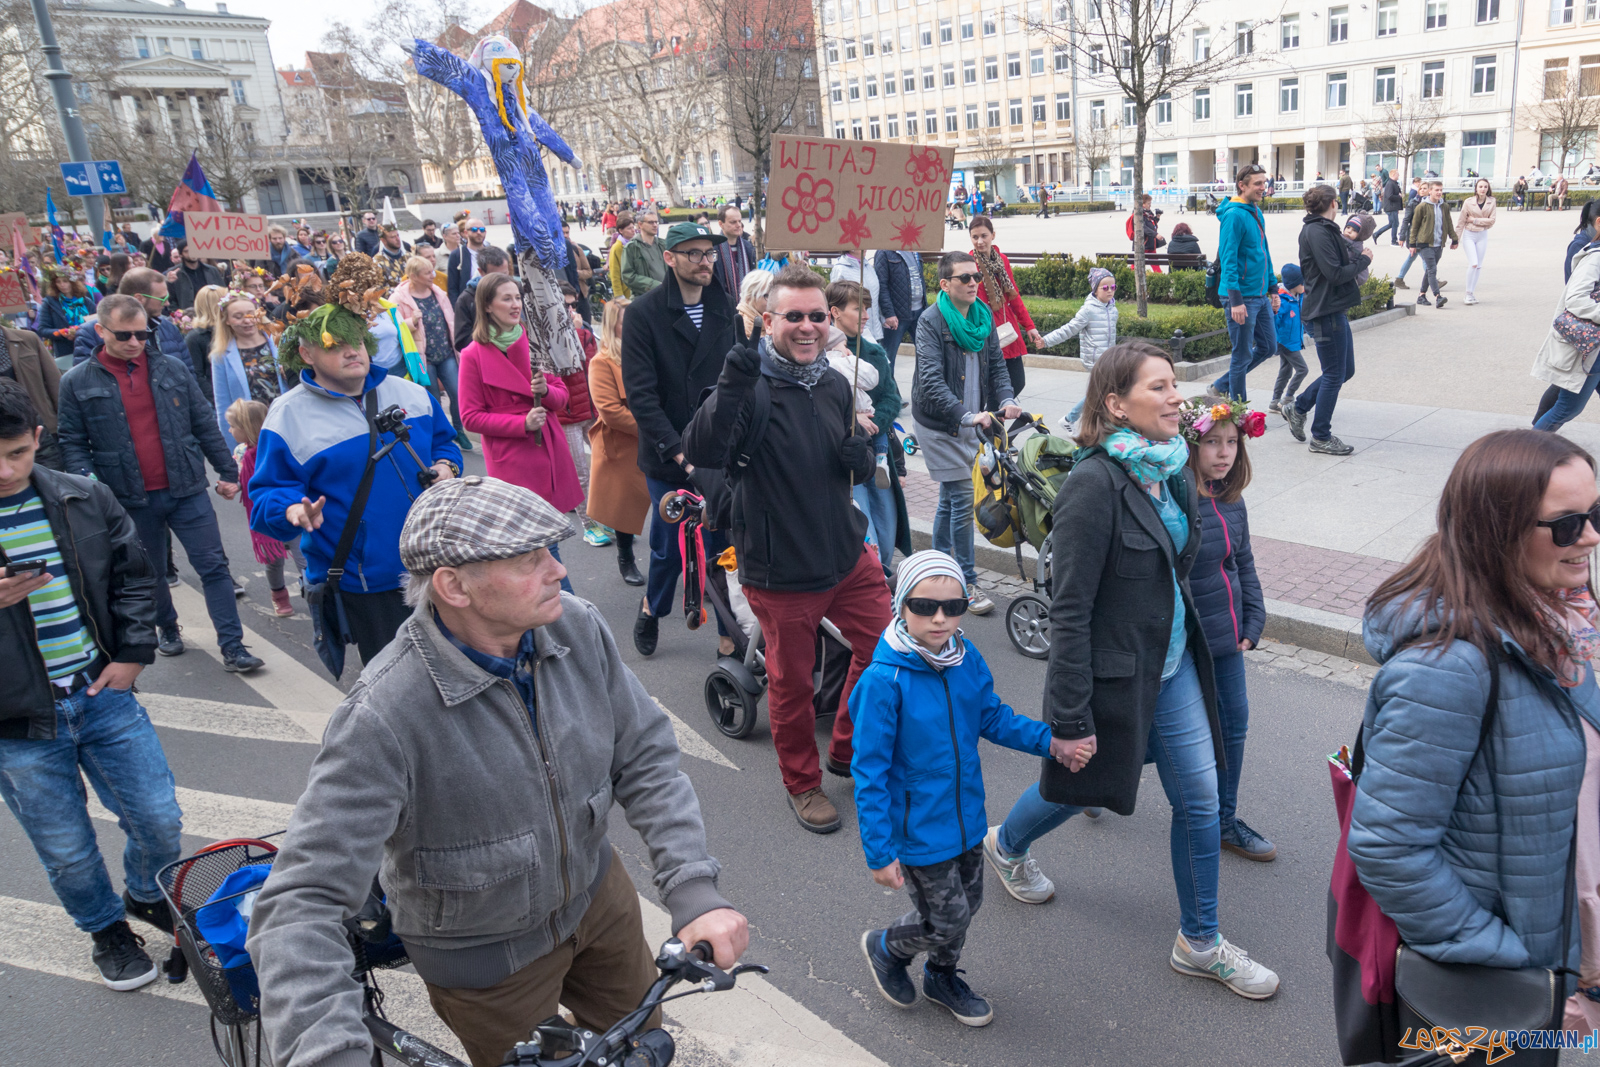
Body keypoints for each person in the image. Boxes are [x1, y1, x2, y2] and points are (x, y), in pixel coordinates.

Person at [248, 475, 750, 1067]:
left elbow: (644, 754)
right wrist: (327, 1053)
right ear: (453, 586)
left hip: (597, 903)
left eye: (549, 552)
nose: (558, 570)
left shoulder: (575, 625)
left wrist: (692, 888)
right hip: (485, 961)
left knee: (637, 1043)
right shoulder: (383, 715)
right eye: (529, 560)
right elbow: (300, 902)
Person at [983, 340, 1281, 1000]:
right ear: (1116, 405)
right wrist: (1068, 719)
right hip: (1117, 675)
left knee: (1199, 800)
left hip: (1172, 667)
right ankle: (1006, 844)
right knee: (1083, 779)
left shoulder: (1171, 467)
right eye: (1160, 387)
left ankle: (1199, 941)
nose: (1177, 397)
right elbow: (1069, 612)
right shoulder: (1092, 486)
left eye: (1175, 383)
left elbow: (1180, 564)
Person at [1350, 430, 1596, 1018]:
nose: (1591, 536)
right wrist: (1509, 962)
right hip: (1503, 983)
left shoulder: (1565, 621)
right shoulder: (1448, 668)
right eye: (1567, 525)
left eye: (1595, 513)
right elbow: (1389, 848)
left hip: (1566, 942)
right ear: (1499, 530)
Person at [683, 265, 893, 834]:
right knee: (793, 685)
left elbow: (847, 464)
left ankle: (846, 748)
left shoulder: (835, 384)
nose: (807, 326)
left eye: (816, 315)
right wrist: (733, 379)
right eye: (793, 316)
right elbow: (700, 447)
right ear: (769, 320)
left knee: (888, 650)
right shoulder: (748, 384)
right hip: (781, 568)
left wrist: (861, 460)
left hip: (846, 553)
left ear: (830, 320)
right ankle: (802, 783)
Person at [0, 377, 182, 993]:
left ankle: (144, 893)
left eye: (17, 453)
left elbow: (134, 575)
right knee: (66, 848)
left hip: (101, 693)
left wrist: (132, 654)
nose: (5, 471)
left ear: (37, 439)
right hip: (17, 721)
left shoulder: (83, 495)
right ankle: (106, 931)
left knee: (158, 819)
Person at [852, 550, 1079, 1026]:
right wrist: (879, 852)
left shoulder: (965, 656)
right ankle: (886, 947)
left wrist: (1051, 742)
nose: (940, 618)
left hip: (966, 819)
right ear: (901, 606)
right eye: (924, 606)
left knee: (969, 905)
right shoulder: (885, 681)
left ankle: (940, 976)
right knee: (947, 918)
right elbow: (869, 772)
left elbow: (991, 716)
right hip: (918, 832)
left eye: (953, 607)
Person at [248, 298, 462, 667]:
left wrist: (446, 466)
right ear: (306, 354)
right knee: (400, 685)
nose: (352, 352)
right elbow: (266, 495)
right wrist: (293, 509)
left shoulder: (411, 393)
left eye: (358, 341)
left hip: (442, 563)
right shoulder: (287, 416)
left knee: (465, 670)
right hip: (370, 584)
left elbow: (446, 444)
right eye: (335, 345)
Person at [56, 294, 263, 673]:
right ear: (101, 331)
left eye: (142, 333)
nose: (135, 342)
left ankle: (233, 646)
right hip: (127, 497)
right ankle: (167, 626)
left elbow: (203, 422)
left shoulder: (171, 368)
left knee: (213, 566)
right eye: (124, 335)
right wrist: (89, 489)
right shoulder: (76, 381)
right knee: (149, 572)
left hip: (186, 488)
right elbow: (72, 442)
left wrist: (227, 472)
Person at [620, 220, 737, 658]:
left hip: (718, 451)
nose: (705, 262)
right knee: (672, 546)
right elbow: (641, 397)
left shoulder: (725, 306)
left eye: (710, 253)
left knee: (723, 545)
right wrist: (681, 454)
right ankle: (652, 607)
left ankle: (729, 635)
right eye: (694, 253)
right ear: (669, 258)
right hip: (667, 454)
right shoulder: (644, 313)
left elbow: (736, 380)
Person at [1181, 395, 1271, 860]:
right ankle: (1092, 781)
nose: (1224, 452)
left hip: (1227, 642)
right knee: (1151, 737)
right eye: (1213, 442)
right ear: (1190, 445)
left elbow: (1243, 562)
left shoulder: (1231, 500)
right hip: (1183, 645)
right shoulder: (1175, 498)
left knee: (1233, 727)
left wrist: (1254, 618)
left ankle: (1223, 821)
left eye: (1232, 442)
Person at [910, 251, 1022, 616]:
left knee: (949, 499)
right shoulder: (930, 321)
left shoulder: (983, 316)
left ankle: (936, 567)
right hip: (940, 424)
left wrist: (1007, 399)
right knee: (962, 498)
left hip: (973, 420)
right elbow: (930, 380)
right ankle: (966, 582)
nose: (974, 282)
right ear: (945, 284)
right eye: (965, 278)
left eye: (976, 276)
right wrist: (965, 415)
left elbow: (997, 369)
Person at [458, 273, 582, 591]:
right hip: (511, 459)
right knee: (537, 545)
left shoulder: (535, 343)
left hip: (547, 451)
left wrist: (546, 391)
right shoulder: (473, 355)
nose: (516, 305)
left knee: (543, 544)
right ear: (487, 305)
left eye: (518, 298)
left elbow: (562, 397)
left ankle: (554, 607)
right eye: (507, 298)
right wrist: (521, 424)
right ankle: (560, 607)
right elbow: (470, 417)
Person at [1285, 185, 1372, 457]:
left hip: (1333, 308)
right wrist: (1364, 261)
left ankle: (1298, 408)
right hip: (1324, 311)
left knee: (1345, 370)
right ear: (1334, 203)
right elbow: (1335, 273)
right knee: (1335, 373)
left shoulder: (1324, 228)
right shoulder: (1317, 231)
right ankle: (1320, 436)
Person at [828, 280, 906, 571]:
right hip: (843, 457)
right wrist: (852, 423)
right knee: (862, 528)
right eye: (857, 308)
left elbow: (892, 397)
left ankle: (882, 577)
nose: (865, 315)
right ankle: (872, 580)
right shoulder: (818, 352)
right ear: (835, 311)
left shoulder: (873, 352)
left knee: (886, 526)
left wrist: (871, 424)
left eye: (867, 308)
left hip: (878, 450)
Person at [586, 297, 647, 586]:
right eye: (627, 320)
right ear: (613, 325)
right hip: (622, 444)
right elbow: (610, 411)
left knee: (671, 504)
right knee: (624, 507)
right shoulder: (602, 362)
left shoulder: (645, 352)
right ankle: (626, 558)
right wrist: (652, 430)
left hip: (649, 437)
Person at [225, 399, 303, 616]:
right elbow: (241, 479)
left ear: (247, 427)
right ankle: (279, 595)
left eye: (232, 426)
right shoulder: (241, 452)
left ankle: (315, 594)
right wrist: (232, 486)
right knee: (274, 560)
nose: (229, 430)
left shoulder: (275, 448)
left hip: (288, 509)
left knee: (303, 556)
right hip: (263, 517)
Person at [392, 255, 471, 452]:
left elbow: (450, 321)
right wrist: (411, 322)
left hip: (446, 352)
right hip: (423, 357)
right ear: (414, 276)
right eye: (427, 273)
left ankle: (459, 430)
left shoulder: (438, 292)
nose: (433, 275)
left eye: (432, 271)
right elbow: (394, 328)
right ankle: (443, 435)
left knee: (457, 392)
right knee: (433, 398)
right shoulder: (398, 298)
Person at [1217, 164, 1279, 402]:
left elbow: (1264, 253)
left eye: (1264, 183)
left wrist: (1273, 289)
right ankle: (1238, 409)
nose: (1263, 188)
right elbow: (1228, 259)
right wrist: (1235, 300)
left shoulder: (1255, 211)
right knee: (1241, 355)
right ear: (1242, 186)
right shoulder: (1234, 215)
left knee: (1269, 347)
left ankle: (1221, 385)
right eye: (1258, 184)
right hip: (1241, 297)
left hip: (1259, 295)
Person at [1531, 225, 1600, 432]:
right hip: (1590, 348)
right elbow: (1576, 299)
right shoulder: (1595, 258)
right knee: (1567, 408)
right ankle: (1529, 447)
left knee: (1564, 404)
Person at [970, 216, 1042, 400]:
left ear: (993, 235)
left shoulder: (1001, 260)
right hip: (984, 331)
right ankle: (993, 416)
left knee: (1017, 381)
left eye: (984, 236)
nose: (980, 241)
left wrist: (1029, 326)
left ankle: (995, 414)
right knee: (991, 385)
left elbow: (1014, 295)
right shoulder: (969, 264)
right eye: (975, 237)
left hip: (1006, 326)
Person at [1041, 267, 1118, 431]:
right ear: (1095, 290)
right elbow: (1069, 329)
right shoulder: (1088, 310)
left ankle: (1099, 424)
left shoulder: (1112, 309)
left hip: (1107, 359)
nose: (1110, 291)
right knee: (1101, 393)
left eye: (1113, 287)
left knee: (1103, 392)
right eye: (1105, 287)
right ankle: (1071, 420)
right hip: (1095, 360)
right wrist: (1046, 341)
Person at [210, 292, 287, 449]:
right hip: (253, 432)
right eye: (238, 317)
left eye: (251, 314)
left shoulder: (280, 340)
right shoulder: (221, 356)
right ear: (227, 321)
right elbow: (223, 404)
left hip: (286, 420)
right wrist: (233, 449)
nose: (247, 320)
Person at [1, 316, 64, 469]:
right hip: (5, 438)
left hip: (43, 428)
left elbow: (55, 383)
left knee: (51, 475)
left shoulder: (27, 339)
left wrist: (63, 423)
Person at [875, 247, 928, 375]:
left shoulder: (915, 250)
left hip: (919, 312)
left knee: (926, 355)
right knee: (888, 358)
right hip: (896, 316)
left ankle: (921, 386)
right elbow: (881, 285)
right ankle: (888, 387)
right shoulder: (884, 251)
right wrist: (889, 313)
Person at [1407, 181, 1459, 309]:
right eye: (1436, 190)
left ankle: (1421, 295)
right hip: (1425, 243)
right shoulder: (1422, 206)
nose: (1439, 192)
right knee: (1432, 269)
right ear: (1430, 191)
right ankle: (1438, 296)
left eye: (1441, 190)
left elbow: (1449, 223)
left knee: (1429, 270)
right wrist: (1412, 244)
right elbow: (1414, 227)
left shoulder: (1444, 206)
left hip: (1438, 244)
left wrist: (1454, 239)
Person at [1268, 263, 1309, 416]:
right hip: (1286, 343)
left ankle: (1274, 402)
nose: (1304, 284)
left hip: (1292, 341)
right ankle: (1287, 399)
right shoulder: (1283, 301)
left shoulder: (1297, 297)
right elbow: (1273, 322)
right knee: (1302, 369)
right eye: (1301, 282)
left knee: (1285, 372)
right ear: (1293, 285)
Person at [32, 268, 96, 364]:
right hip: (64, 351)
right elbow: (42, 329)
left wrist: (81, 331)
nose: (62, 285)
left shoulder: (86, 301)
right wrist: (62, 332)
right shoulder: (49, 303)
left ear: (73, 282)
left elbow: (96, 323)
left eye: (65, 281)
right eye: (58, 282)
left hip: (88, 348)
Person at [1459, 178, 1497, 306]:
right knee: (1473, 263)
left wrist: (1474, 220)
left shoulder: (1492, 201)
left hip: (1482, 234)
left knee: (1479, 265)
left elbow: (1492, 220)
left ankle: (1472, 293)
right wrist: (1456, 238)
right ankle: (1467, 293)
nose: (1483, 189)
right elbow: (1462, 220)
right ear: (1476, 188)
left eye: (1485, 187)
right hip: (1469, 234)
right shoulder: (1468, 202)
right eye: (1480, 186)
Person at [712, 204, 757, 304]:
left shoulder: (748, 247)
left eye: (739, 221)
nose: (738, 225)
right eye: (733, 222)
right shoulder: (713, 249)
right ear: (721, 224)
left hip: (747, 305)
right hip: (723, 305)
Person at [165, 240, 225, 313]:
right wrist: (179, 314)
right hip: (189, 315)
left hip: (212, 312)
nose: (192, 253)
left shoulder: (211, 270)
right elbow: (170, 299)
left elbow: (223, 291)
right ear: (181, 254)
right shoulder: (175, 273)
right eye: (187, 251)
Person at [620, 209, 667, 295]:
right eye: (651, 222)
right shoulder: (632, 247)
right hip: (644, 297)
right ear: (640, 224)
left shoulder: (663, 244)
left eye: (656, 222)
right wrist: (654, 285)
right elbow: (628, 276)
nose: (655, 225)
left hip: (665, 294)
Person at [446, 219, 490, 305]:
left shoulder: (492, 253)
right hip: (468, 303)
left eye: (482, 230)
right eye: (474, 229)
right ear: (466, 233)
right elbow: (452, 287)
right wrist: (457, 308)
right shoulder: (457, 255)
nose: (479, 232)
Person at [1126, 194, 1165, 271]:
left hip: (1150, 243)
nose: (1150, 205)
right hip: (1142, 243)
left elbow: (1150, 225)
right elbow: (1143, 227)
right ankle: (1132, 275)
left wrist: (1157, 218)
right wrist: (1155, 234)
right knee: (1137, 263)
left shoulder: (1148, 213)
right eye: (1148, 203)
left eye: (1150, 203)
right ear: (1142, 204)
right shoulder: (1138, 214)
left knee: (1154, 263)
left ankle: (1159, 275)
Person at [1372, 169, 1405, 246]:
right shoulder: (1390, 184)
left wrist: (1397, 207)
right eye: (1397, 174)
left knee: (1392, 224)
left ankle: (1376, 234)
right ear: (1393, 175)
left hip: (1393, 207)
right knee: (1395, 224)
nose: (1399, 175)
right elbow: (1389, 196)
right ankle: (1393, 241)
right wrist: (1399, 196)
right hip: (1391, 207)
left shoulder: (1393, 183)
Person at [607, 211, 636, 299]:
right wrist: (619, 295)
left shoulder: (636, 243)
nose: (633, 230)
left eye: (633, 227)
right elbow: (615, 273)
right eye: (629, 228)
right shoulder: (617, 247)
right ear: (621, 231)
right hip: (626, 292)